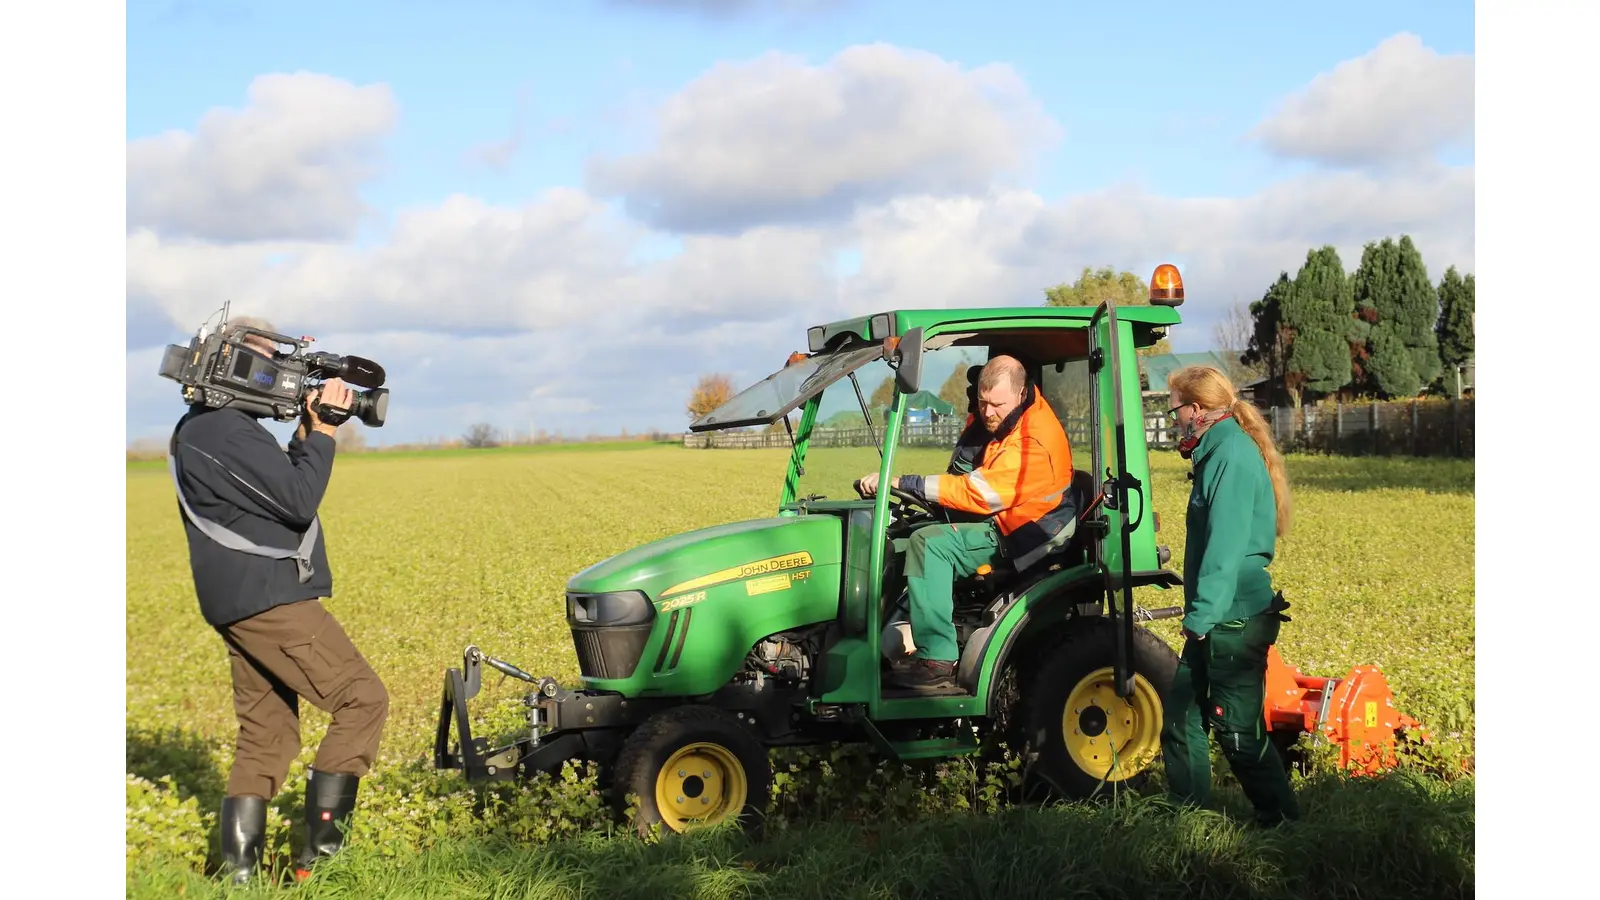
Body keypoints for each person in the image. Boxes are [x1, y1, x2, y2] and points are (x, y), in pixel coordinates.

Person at [167, 317, 389, 884]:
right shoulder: (223, 431)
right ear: (231, 365)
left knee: (270, 733)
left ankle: (238, 876)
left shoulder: (208, 428)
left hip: (241, 600)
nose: (281, 379)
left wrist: (307, 433)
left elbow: (273, 491)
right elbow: (297, 500)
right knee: (362, 699)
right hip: (271, 600)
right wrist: (327, 433)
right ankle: (321, 862)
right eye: (268, 364)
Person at [857, 355, 1077, 689]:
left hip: (1028, 531)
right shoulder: (1005, 420)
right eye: (982, 402)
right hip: (1006, 514)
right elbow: (962, 472)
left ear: (1020, 394)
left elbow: (978, 492)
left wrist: (904, 482)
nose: (988, 412)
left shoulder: (1034, 439)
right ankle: (882, 636)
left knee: (930, 544)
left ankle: (938, 659)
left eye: (997, 404)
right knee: (906, 533)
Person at [1159, 365, 1300, 828]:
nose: (1172, 415)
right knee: (1181, 714)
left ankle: (1283, 823)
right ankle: (1190, 820)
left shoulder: (1230, 456)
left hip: (1233, 616)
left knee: (1237, 731)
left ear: (1196, 410)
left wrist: (1200, 616)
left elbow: (1225, 546)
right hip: (1219, 612)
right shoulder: (1214, 450)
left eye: (1174, 406)